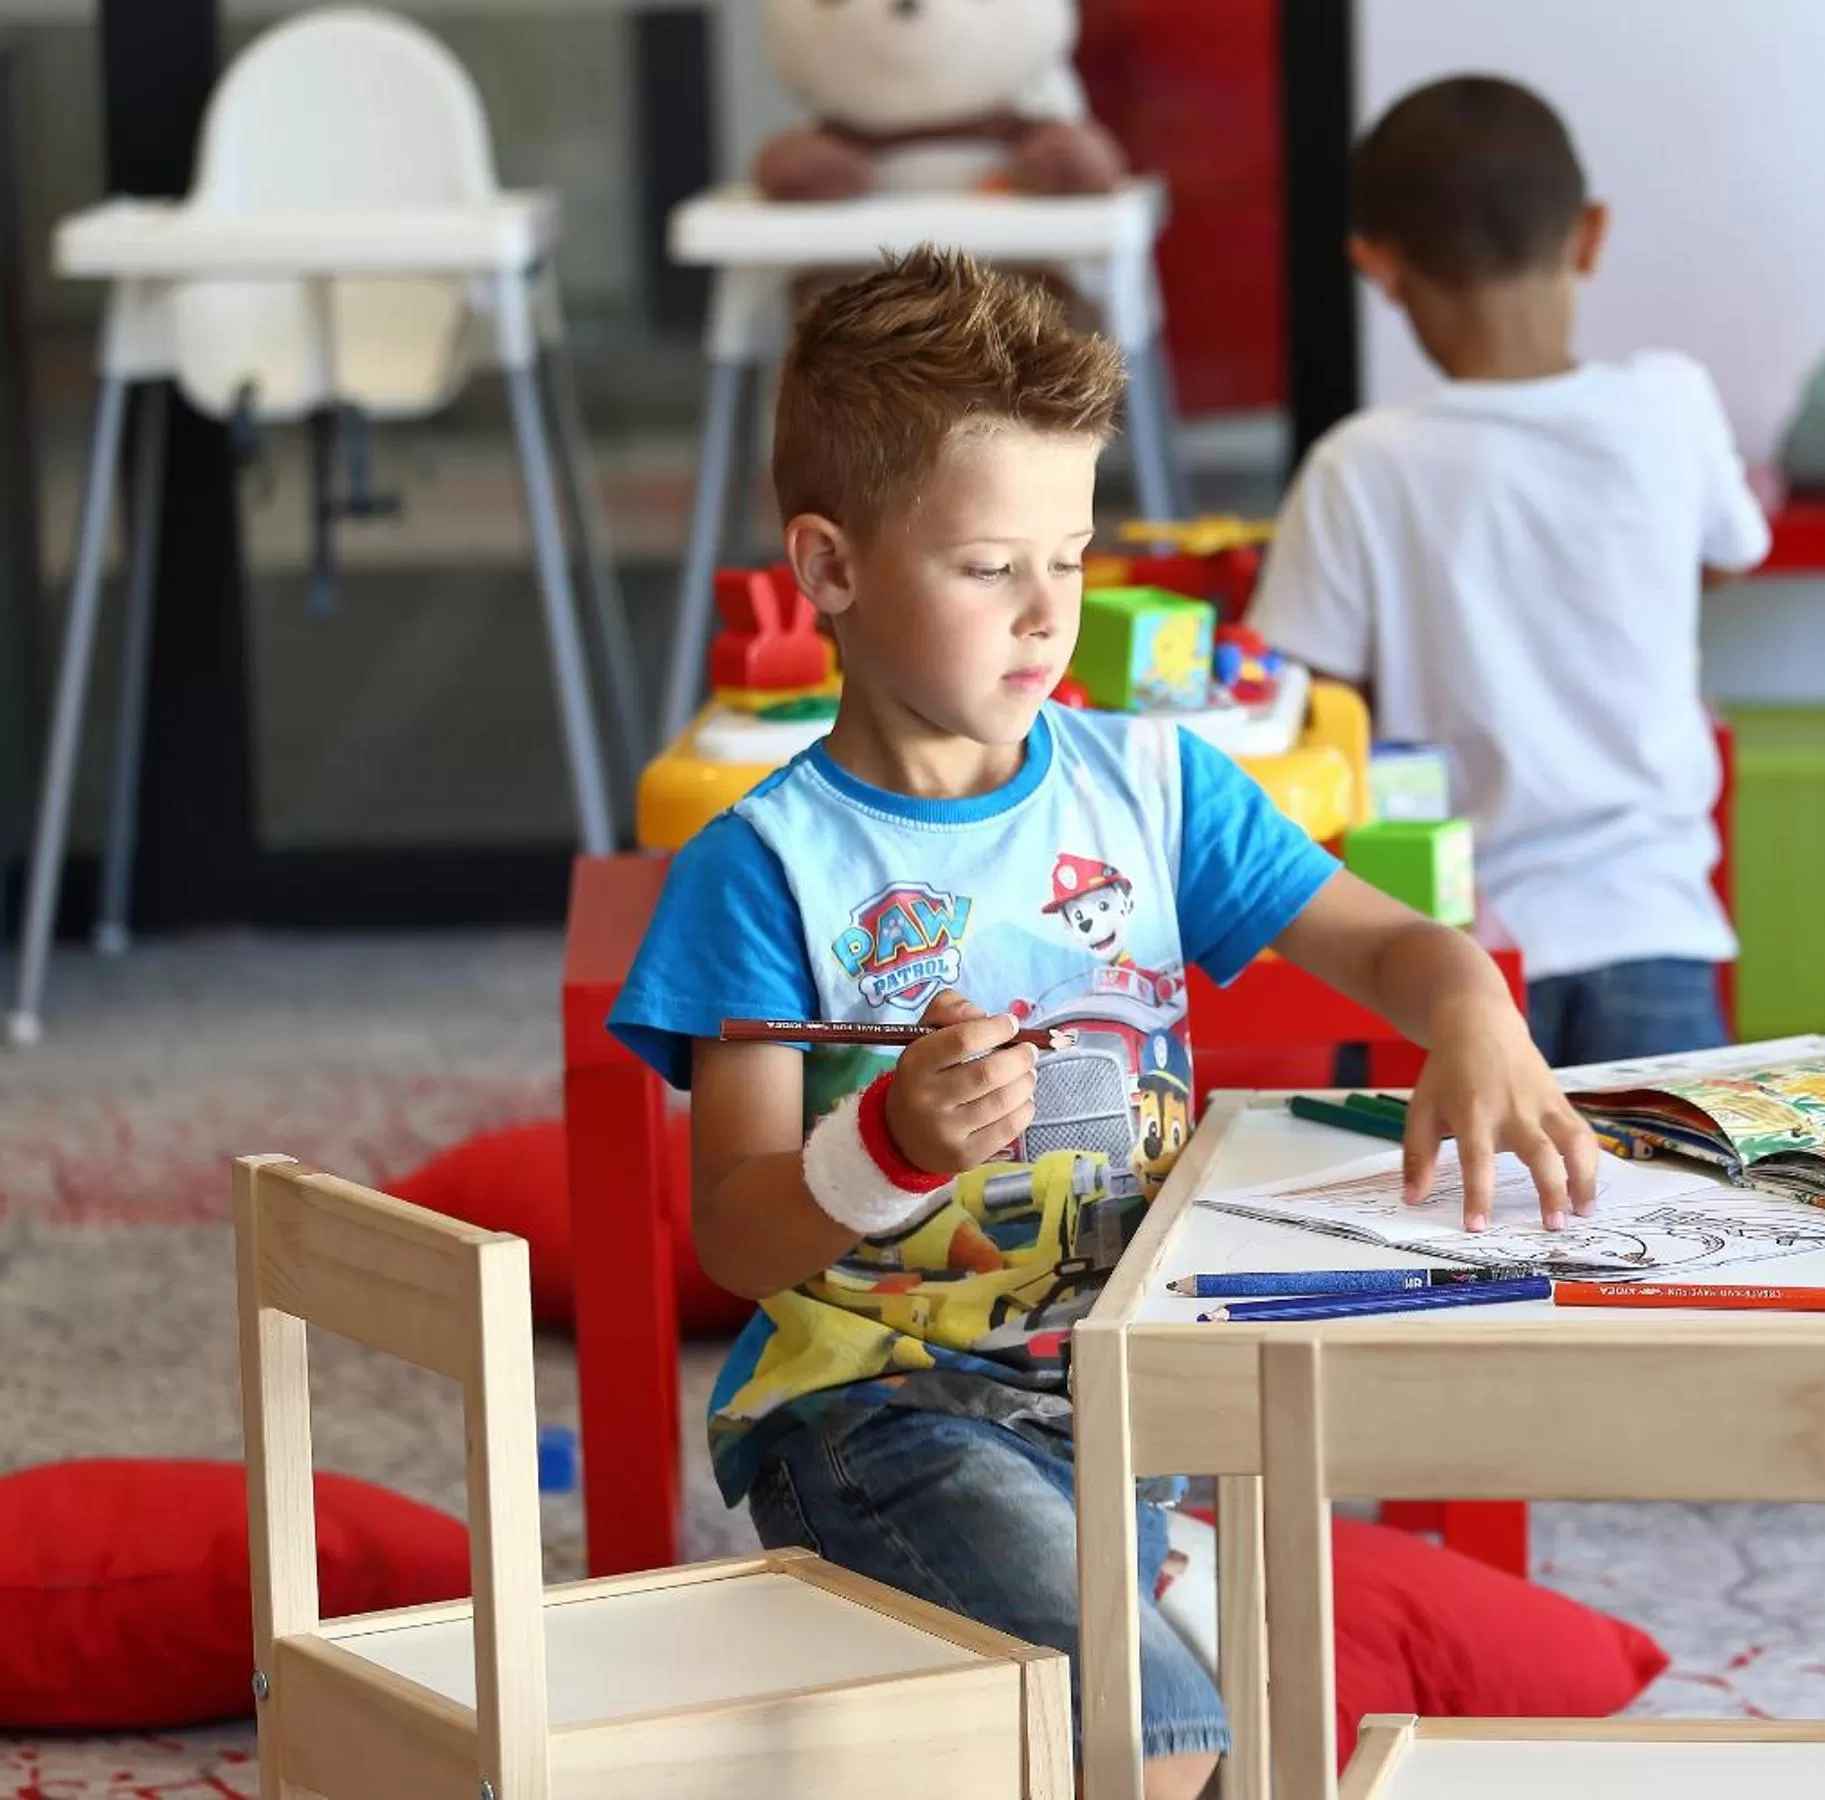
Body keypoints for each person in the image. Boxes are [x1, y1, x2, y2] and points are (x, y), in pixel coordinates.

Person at [607, 246, 1596, 1800]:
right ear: (832, 565)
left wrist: (1469, 1003)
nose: (1046, 612)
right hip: (877, 1413)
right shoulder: (762, 872)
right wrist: (886, 1143)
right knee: (1159, 1737)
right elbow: (733, 1234)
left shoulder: (1154, 787)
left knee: (1269, 1737)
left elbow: (1392, 945)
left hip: (1130, 1405)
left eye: (1069, 557)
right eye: (990, 566)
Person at [1249, 74, 1772, 1069]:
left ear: (1378, 267)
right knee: (1683, 1213)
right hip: (1655, 927)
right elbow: (1729, 556)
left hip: (1448, 954)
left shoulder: (1361, 464)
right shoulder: (1670, 404)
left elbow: (1308, 709)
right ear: (1592, 234)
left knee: (1430, 1213)